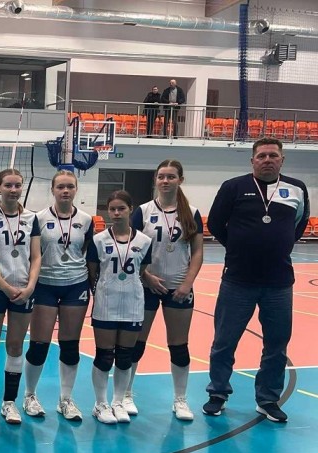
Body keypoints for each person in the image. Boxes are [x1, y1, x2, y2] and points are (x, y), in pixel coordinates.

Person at [204, 138, 309, 422]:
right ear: (252, 160)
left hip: (279, 282)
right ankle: (217, 393)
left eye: (273, 155)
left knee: (277, 344)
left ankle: (268, 399)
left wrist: (279, 244)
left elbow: (299, 223)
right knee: (224, 341)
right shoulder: (233, 187)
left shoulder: (297, 188)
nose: (267, 160)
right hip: (238, 279)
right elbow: (215, 223)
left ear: (282, 160)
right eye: (261, 156)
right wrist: (237, 247)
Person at [129, 160, 203, 421]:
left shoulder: (191, 213)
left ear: (180, 180)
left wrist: (187, 284)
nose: (165, 181)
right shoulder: (143, 211)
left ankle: (180, 399)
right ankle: (125, 394)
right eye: (161, 176)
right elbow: (130, 248)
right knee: (135, 344)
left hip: (178, 287)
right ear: (156, 180)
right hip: (147, 286)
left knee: (179, 345)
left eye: (171, 176)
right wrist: (146, 276)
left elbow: (197, 253)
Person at [21, 170, 93, 421]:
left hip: (75, 284)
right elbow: (33, 253)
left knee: (70, 345)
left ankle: (66, 399)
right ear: (52, 189)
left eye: (70, 187)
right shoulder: (38, 218)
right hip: (45, 285)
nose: (65, 191)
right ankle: (30, 395)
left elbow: (85, 251)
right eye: (60, 186)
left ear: (76, 190)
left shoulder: (86, 220)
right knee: (39, 345)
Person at [0, 168, 41, 426]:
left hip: (24, 289)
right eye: (8, 185)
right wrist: (3, 285)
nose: (13, 190)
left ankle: (9, 402)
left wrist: (31, 286)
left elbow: (36, 256)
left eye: (17, 185)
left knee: (15, 345)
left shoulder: (32, 218)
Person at [86, 190, 153, 424]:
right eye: (112, 209)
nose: (116, 213)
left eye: (121, 208)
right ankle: (100, 404)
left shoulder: (144, 241)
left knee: (125, 357)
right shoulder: (98, 240)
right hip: (106, 304)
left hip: (133, 304)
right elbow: (92, 272)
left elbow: (142, 271)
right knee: (104, 356)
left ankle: (118, 401)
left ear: (130, 210)